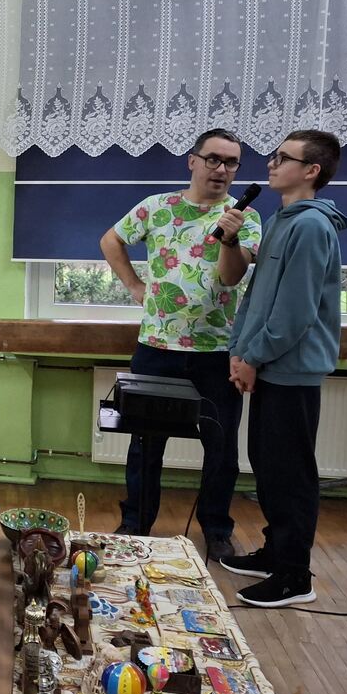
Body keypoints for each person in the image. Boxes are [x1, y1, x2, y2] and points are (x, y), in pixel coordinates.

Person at [100, 128, 261, 561]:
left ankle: (217, 529)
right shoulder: (157, 207)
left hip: (217, 352)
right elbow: (111, 240)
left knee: (221, 448)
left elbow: (231, 276)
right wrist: (134, 285)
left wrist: (229, 238)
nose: (221, 169)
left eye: (231, 163)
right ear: (193, 161)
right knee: (145, 442)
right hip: (157, 347)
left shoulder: (245, 217)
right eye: (213, 159)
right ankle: (135, 522)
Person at [219, 130, 347, 608]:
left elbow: (294, 313)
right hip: (266, 365)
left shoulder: (312, 227)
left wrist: (253, 357)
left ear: (311, 170)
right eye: (274, 156)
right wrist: (239, 351)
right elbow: (257, 298)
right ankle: (275, 553)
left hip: (291, 371)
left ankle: (295, 576)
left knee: (291, 473)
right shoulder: (280, 220)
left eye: (283, 158)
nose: (271, 164)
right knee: (269, 466)